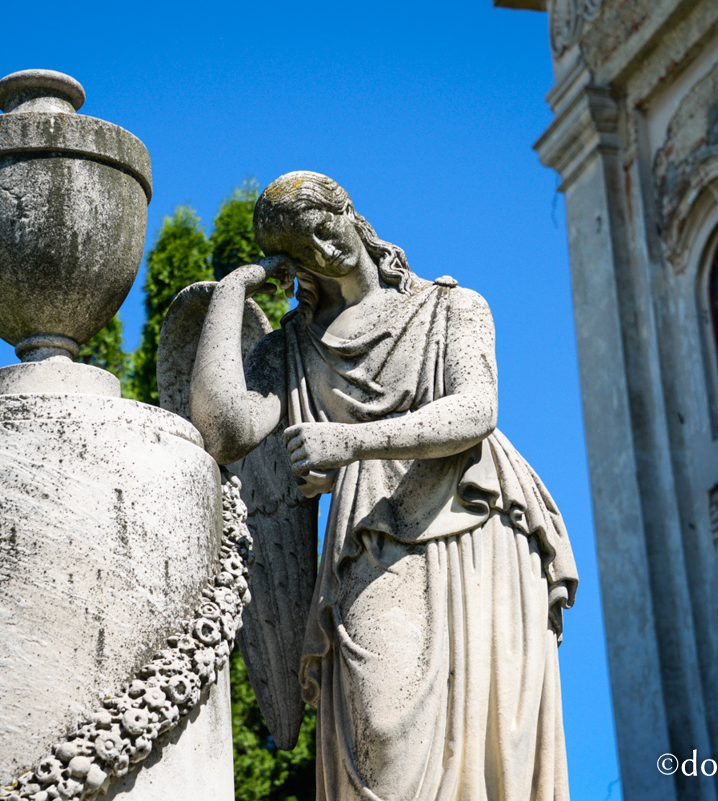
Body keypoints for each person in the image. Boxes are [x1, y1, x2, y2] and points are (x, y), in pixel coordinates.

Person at [189, 171, 577, 801]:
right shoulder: (292, 350)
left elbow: (476, 409)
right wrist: (234, 290)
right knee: (381, 735)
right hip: (370, 537)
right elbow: (221, 430)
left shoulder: (453, 306)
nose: (323, 243)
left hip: (479, 514)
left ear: (352, 213)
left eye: (326, 220)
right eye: (300, 243)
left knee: (492, 742)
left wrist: (352, 443)